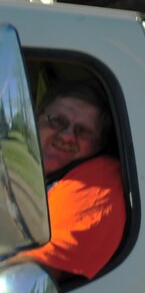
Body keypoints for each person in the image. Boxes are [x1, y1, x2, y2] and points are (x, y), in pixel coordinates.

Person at [5, 81, 125, 282]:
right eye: (57, 121)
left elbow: (33, 274)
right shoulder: (18, 158)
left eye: (83, 131)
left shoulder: (98, 184)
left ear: (98, 144)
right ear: (34, 117)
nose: (68, 136)